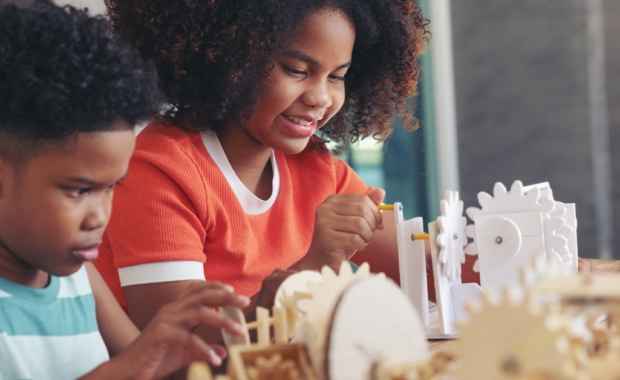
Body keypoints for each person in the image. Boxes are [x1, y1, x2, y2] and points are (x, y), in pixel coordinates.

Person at [0, 3, 249, 379]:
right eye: (78, 191)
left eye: (110, 188)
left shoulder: (77, 274)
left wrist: (172, 346)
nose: (100, 215)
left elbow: (145, 366)